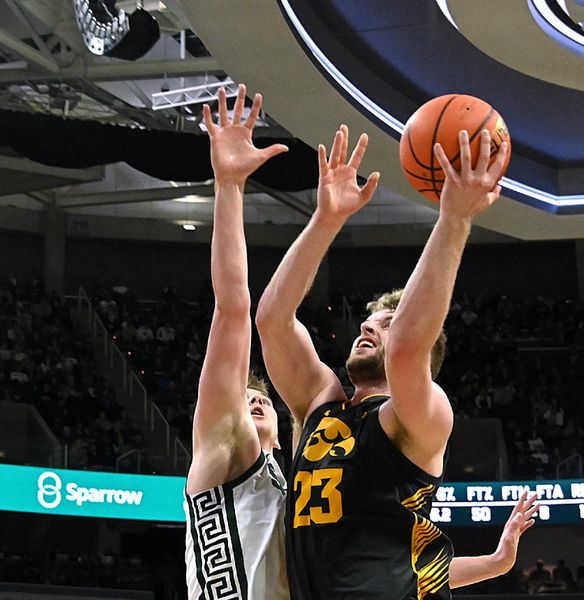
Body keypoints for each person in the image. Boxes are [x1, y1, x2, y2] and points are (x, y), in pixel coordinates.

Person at [256, 125, 512, 598]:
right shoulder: (321, 401)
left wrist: (453, 220)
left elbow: (408, 349)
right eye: (368, 321)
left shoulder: (422, 417)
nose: (367, 327)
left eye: (387, 321)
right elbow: (272, 319)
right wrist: (325, 219)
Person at [183, 84, 290, 599]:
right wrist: (229, 187)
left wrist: (495, 563)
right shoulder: (226, 444)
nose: (252, 400)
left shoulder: (296, 491)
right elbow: (232, 309)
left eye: (262, 398)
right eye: (245, 399)